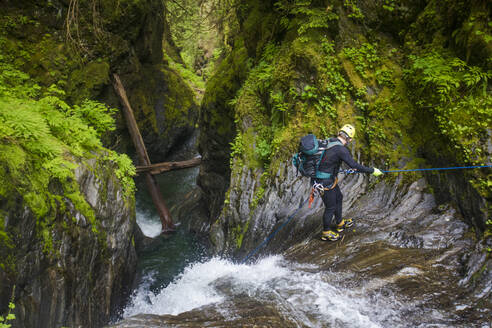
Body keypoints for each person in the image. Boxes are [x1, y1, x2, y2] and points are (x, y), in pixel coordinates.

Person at [315, 124, 383, 241]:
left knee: (339, 197)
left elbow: (330, 159)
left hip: (328, 178)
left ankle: (340, 223)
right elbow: (354, 165)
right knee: (330, 207)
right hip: (324, 181)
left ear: (339, 133)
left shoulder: (331, 141)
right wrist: (372, 171)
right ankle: (326, 232)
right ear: (349, 139)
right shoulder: (342, 149)